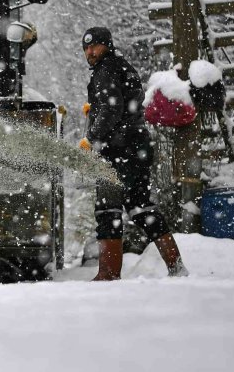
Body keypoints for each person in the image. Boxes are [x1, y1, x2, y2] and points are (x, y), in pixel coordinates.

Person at [79, 27, 189, 281]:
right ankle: (176, 265)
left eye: (95, 46)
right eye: (86, 48)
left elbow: (112, 109)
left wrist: (91, 138)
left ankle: (108, 273)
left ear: (107, 45)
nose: (90, 52)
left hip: (119, 149)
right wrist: (94, 109)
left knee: (107, 210)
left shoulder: (106, 69)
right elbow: (123, 103)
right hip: (136, 146)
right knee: (140, 207)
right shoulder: (120, 66)